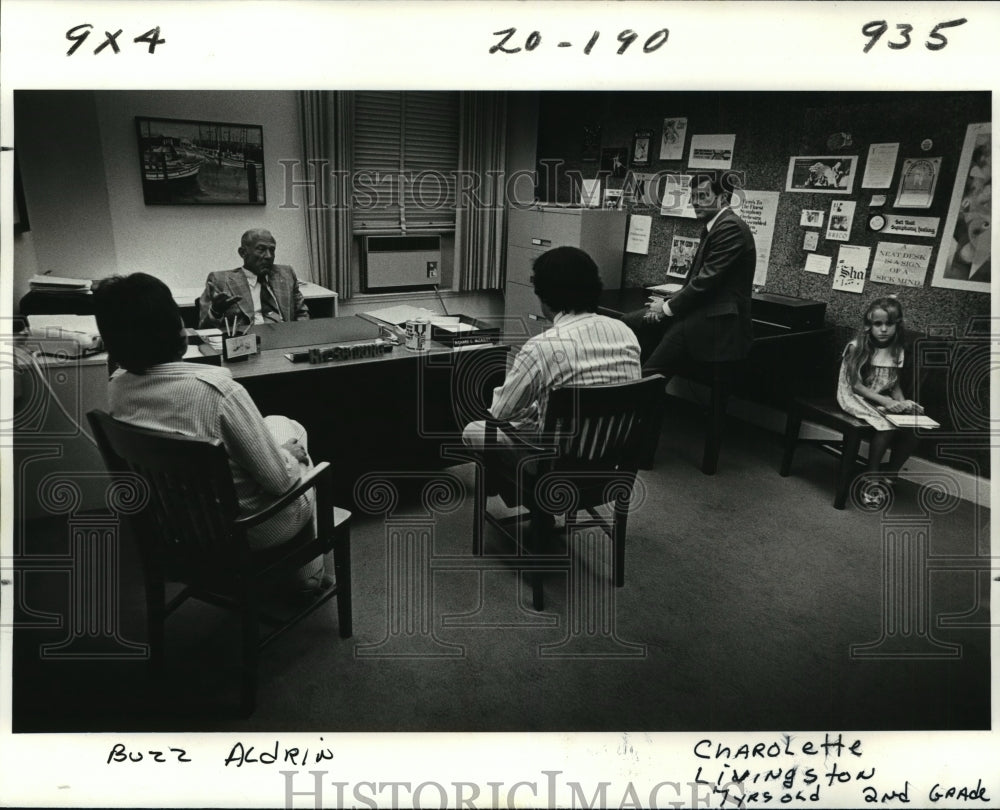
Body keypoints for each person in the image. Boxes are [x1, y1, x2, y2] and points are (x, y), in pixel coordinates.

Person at [95, 273, 327, 593]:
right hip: (248, 531)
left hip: (176, 527)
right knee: (296, 439)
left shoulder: (117, 387)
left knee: (279, 423)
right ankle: (308, 577)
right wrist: (289, 455)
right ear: (175, 329)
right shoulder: (218, 391)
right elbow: (278, 482)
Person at [462, 245, 641, 449]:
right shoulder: (625, 332)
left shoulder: (541, 347)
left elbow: (500, 412)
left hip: (555, 461)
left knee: (475, 429)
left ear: (544, 296)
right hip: (614, 452)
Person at [623, 170, 756, 380]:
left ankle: (634, 397)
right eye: (693, 197)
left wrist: (665, 308)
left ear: (723, 198)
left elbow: (705, 282)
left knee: (649, 372)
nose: (695, 202)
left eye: (703, 196)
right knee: (629, 322)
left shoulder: (730, 227)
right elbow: (697, 281)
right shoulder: (715, 226)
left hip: (714, 323)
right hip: (698, 313)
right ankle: (637, 393)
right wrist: (666, 303)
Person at [836, 296, 922, 491]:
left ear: (897, 326)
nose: (883, 329)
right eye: (878, 324)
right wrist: (887, 402)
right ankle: (871, 474)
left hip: (880, 395)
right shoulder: (856, 347)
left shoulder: (897, 349)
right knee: (887, 426)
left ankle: (891, 473)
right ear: (869, 325)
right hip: (854, 395)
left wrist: (903, 402)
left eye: (889, 324)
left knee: (914, 425)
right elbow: (856, 386)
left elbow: (894, 383)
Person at [198, 228, 310, 329]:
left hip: (286, 340)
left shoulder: (286, 274)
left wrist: (301, 336)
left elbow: (301, 313)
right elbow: (204, 330)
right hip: (246, 344)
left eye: (272, 250)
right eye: (261, 249)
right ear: (243, 253)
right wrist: (215, 312)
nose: (268, 256)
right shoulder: (219, 281)